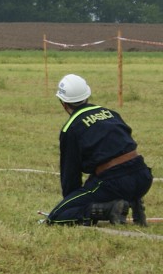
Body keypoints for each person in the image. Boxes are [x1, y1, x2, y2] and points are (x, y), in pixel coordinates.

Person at [46, 74, 152, 226]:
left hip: (115, 182)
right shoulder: (110, 113)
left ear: (63, 103)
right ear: (87, 96)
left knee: (56, 217)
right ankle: (133, 199)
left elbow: (71, 173)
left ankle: (109, 209)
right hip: (143, 176)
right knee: (100, 176)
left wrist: (72, 203)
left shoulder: (71, 128)